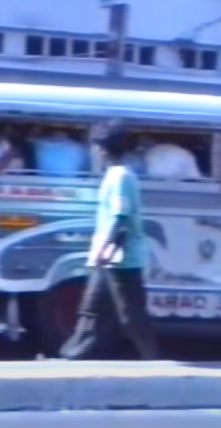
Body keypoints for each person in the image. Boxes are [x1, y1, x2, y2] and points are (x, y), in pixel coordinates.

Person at [60, 127, 159, 360]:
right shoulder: (116, 175)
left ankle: (153, 360)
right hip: (108, 257)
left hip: (122, 258)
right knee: (91, 310)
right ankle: (71, 356)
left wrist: (105, 250)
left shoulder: (120, 177)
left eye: (96, 147)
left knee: (131, 315)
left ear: (103, 150)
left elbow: (120, 217)